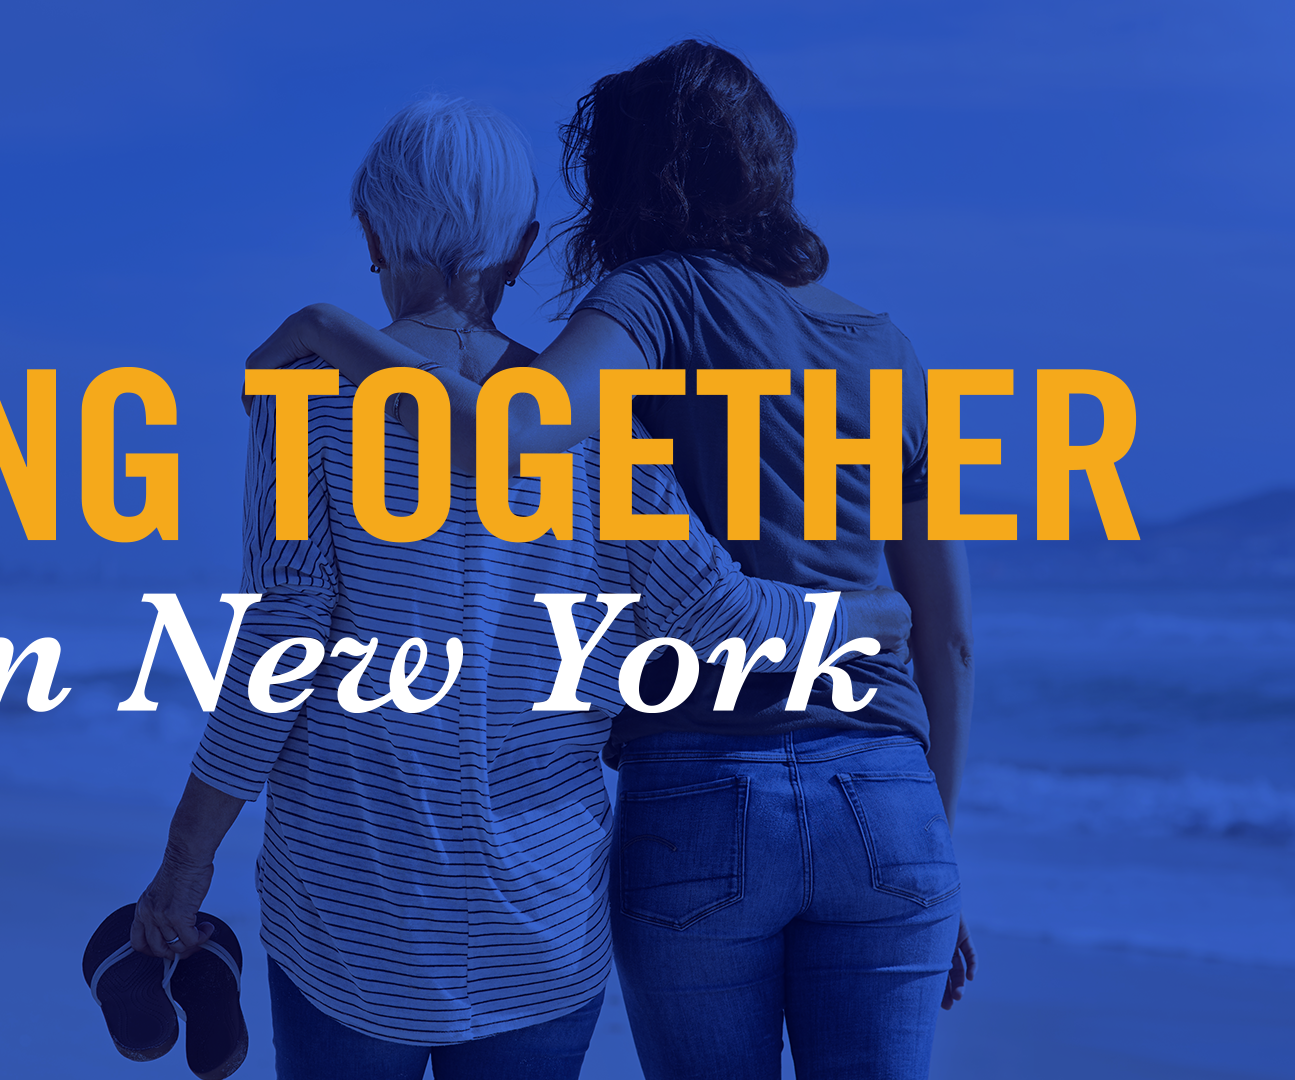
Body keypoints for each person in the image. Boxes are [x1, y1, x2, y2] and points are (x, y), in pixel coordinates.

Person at [129, 96, 911, 1080]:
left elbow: (285, 637)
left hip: (352, 909)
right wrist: (877, 616)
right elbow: (725, 617)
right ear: (526, 246)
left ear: (370, 231)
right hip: (536, 920)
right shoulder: (599, 429)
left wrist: (187, 853)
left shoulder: (311, 397)